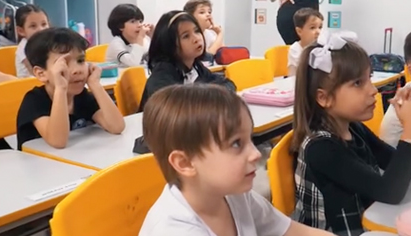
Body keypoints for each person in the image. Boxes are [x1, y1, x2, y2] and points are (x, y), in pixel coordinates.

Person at [139, 83, 335, 236]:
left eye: (250, 139)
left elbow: (292, 231)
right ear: (185, 163)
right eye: (236, 144)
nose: (256, 154)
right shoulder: (172, 230)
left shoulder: (234, 194)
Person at [290, 32, 411, 235]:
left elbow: (410, 171)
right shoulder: (321, 148)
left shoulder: (354, 128)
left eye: (369, 78)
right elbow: (390, 192)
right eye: (357, 83)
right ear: (324, 98)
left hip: (365, 224)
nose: (373, 90)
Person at [16, 27, 125, 150]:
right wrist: (61, 89)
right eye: (64, 63)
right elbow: (58, 141)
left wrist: (95, 85)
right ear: (41, 73)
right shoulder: (34, 100)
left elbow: (117, 127)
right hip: (37, 164)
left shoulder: (81, 96)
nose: (77, 69)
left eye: (80, 60)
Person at [138, 11, 235, 111]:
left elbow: (227, 84)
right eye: (186, 36)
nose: (196, 38)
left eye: (197, 31)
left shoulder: (196, 67)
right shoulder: (162, 73)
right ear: (169, 44)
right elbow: (175, 107)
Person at [15, 4, 50, 78]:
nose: (41, 29)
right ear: (21, 31)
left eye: (44, 24)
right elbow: (33, 71)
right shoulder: (23, 48)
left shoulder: (46, 43)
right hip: (29, 83)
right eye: (33, 26)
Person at [288, 7, 323, 76]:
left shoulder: (320, 47)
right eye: (312, 28)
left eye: (320, 27)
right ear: (299, 31)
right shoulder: (295, 49)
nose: (318, 32)